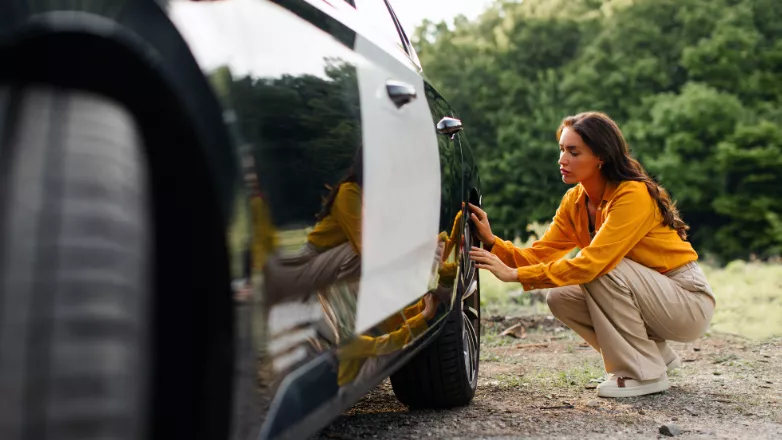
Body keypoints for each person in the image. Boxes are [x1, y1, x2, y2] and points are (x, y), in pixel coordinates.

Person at [469, 112, 716, 398]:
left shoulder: (632, 195)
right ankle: (653, 356)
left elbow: (595, 263)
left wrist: (515, 275)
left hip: (685, 299)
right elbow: (542, 254)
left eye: (574, 152)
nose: (563, 159)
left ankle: (643, 374)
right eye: (561, 149)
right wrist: (492, 243)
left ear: (601, 156)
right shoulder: (575, 200)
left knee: (599, 268)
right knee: (561, 297)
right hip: (647, 294)